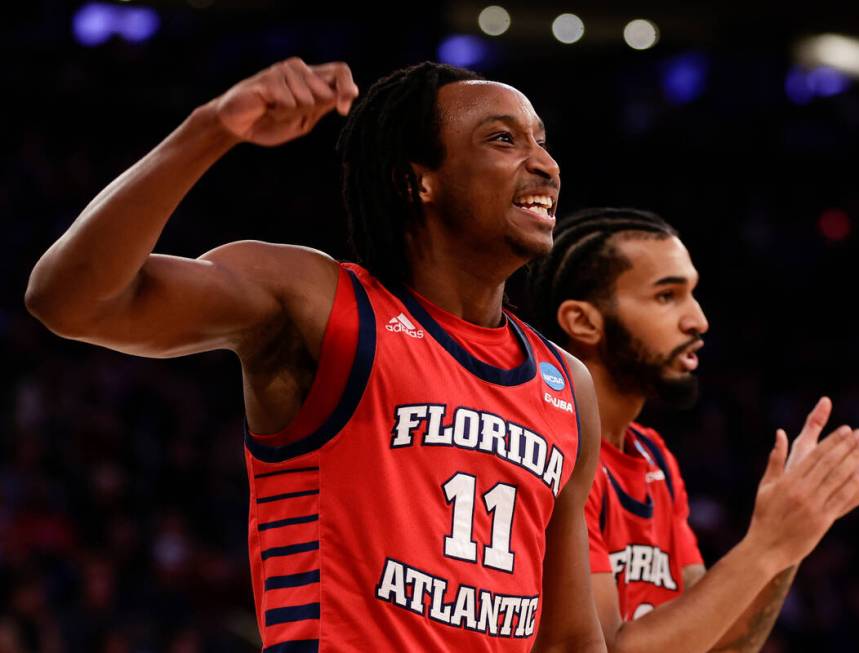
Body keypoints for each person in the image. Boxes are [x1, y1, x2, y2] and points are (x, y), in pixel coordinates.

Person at [25, 58, 606, 652]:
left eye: (542, 141)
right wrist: (213, 128)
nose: (546, 164)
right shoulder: (319, 304)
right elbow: (71, 301)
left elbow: (569, 641)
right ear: (416, 181)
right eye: (504, 139)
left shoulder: (566, 382)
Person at [526, 207, 859, 652]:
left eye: (693, 294)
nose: (698, 320)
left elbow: (720, 645)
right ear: (583, 321)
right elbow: (605, 649)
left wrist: (794, 536)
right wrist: (767, 545)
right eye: (667, 296)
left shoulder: (652, 458)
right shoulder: (556, 451)